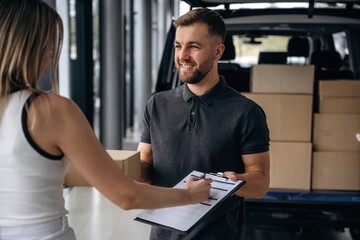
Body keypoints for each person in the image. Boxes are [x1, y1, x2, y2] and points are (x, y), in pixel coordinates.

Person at [0, 1, 212, 240]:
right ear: (29, 49)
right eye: (48, 47)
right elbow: (126, 196)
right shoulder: (50, 110)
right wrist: (189, 195)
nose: (51, 56)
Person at [137, 8, 270, 240]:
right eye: (179, 46)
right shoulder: (157, 104)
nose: (183, 56)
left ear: (218, 52)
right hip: (162, 234)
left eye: (194, 47)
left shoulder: (246, 112)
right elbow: (145, 164)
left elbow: (260, 182)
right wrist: (119, 172)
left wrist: (233, 180)